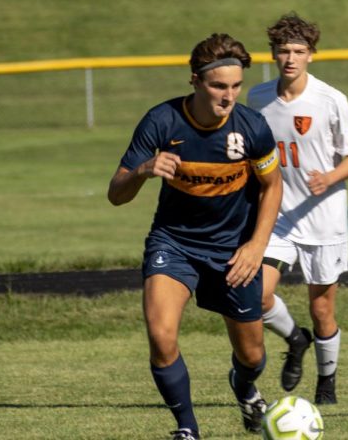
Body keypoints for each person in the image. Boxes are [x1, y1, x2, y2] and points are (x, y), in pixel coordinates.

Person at [107, 34, 283, 440]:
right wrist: (142, 170)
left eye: (236, 86)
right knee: (160, 333)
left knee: (252, 355)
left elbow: (272, 187)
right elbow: (116, 195)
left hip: (234, 251)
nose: (228, 96)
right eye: (219, 86)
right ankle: (187, 429)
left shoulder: (252, 127)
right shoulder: (161, 121)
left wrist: (256, 247)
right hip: (175, 243)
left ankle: (243, 387)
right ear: (195, 81)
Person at [247, 13, 348, 405]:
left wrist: (329, 178)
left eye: (299, 51)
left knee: (322, 309)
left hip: (323, 217)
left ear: (312, 55)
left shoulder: (331, 100)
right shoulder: (258, 98)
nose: (290, 58)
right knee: (257, 296)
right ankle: (295, 339)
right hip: (277, 217)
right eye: (283, 51)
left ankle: (326, 381)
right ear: (273, 55)